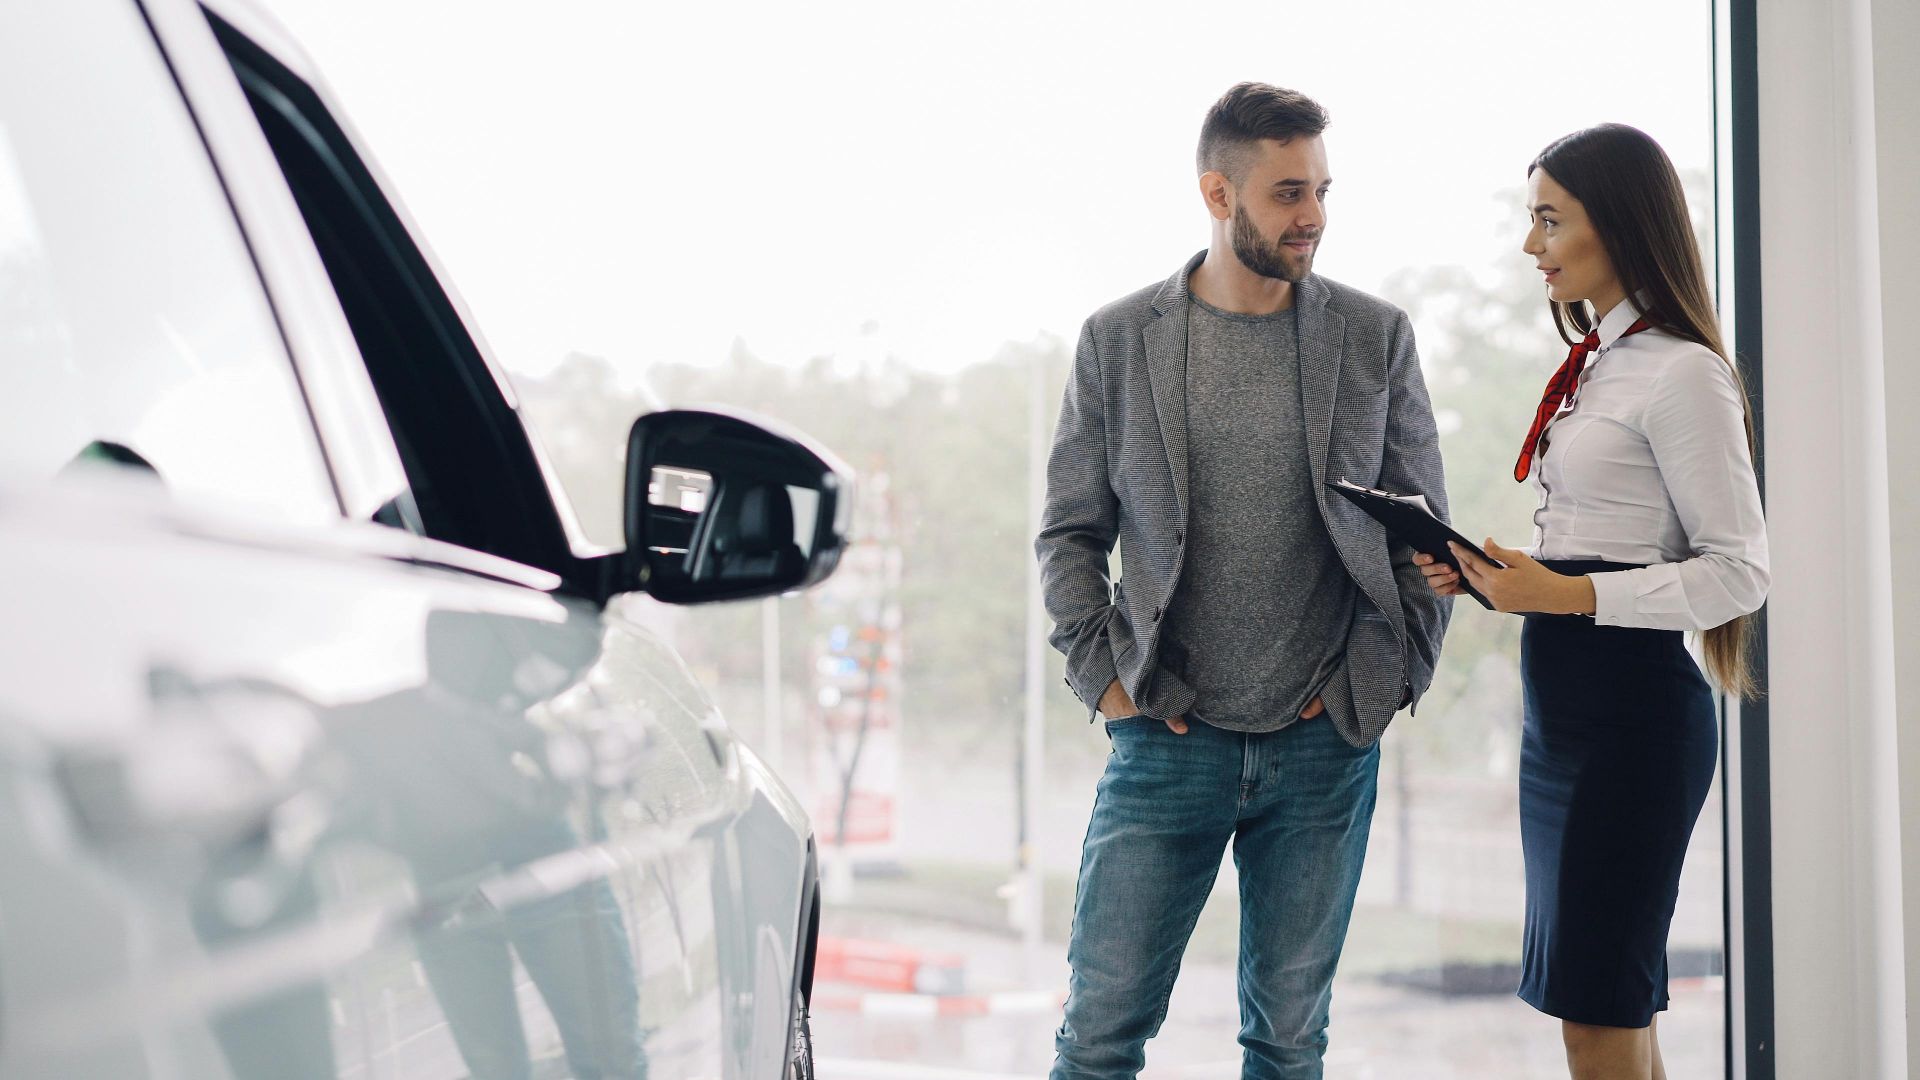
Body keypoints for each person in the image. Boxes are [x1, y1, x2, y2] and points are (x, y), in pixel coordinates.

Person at [1035, 81, 1452, 1080]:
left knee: (1289, 1043)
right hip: (1167, 740)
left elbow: (1420, 537)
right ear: (1217, 194)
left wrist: (1386, 687)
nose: (1311, 216)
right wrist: (1105, 681)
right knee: (1098, 1040)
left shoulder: (1374, 335)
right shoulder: (1119, 339)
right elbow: (1069, 532)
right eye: (1286, 193)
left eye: (1320, 190)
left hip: (1323, 748)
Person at [1415, 123, 1769, 1080]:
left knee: (1598, 1013)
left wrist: (1566, 592)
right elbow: (1602, 544)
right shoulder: (1603, 362)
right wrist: (1505, 581)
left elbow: (1740, 571)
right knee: (1607, 1010)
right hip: (1564, 716)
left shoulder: (1682, 370)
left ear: (1615, 223)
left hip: (1632, 722)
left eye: (1548, 220)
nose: (1532, 246)